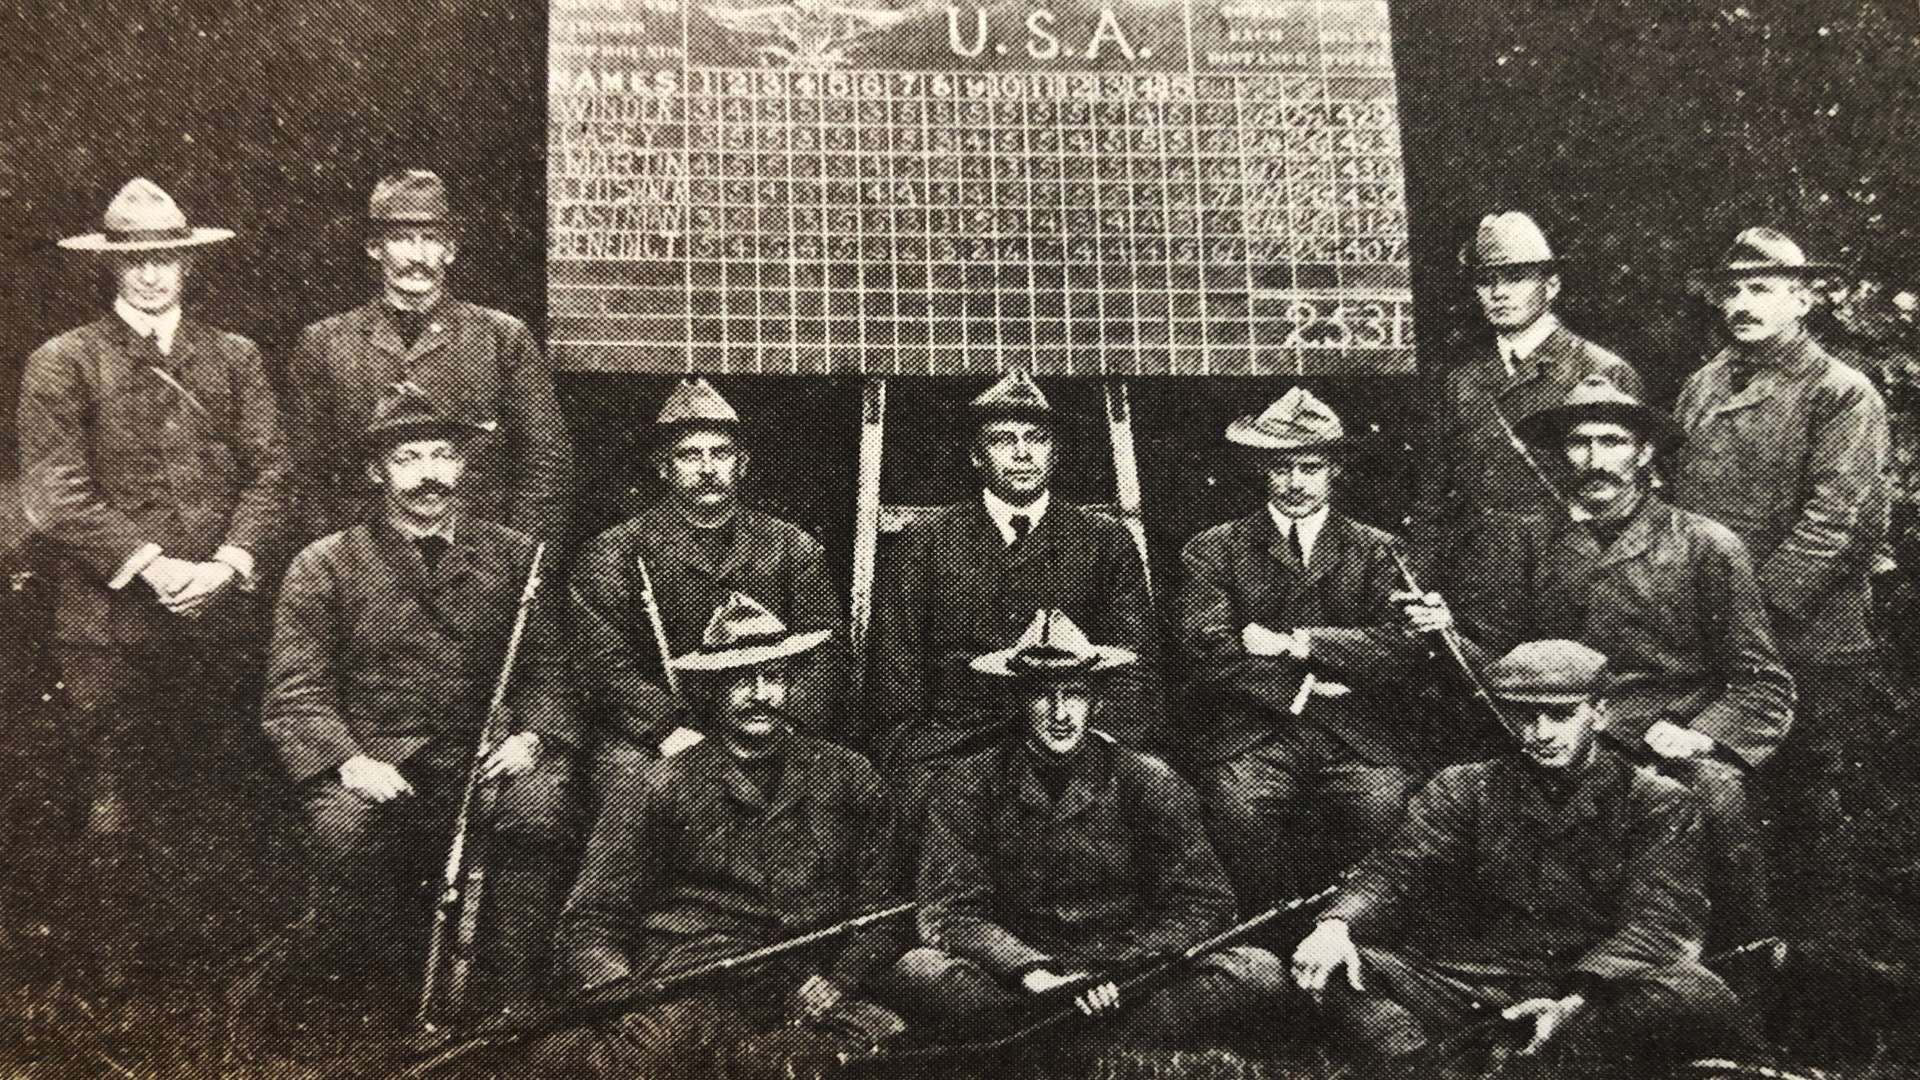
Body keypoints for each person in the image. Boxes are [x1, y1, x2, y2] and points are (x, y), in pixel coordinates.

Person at [1404, 375, 1792, 948]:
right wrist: (1449, 634)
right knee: (1464, 801)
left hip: (1663, 734)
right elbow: (1501, 664)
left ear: (1644, 452)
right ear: (1563, 453)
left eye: (1612, 442)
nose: (1595, 459)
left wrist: (1702, 737)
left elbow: (1760, 681)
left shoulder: (1705, 545)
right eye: (1580, 443)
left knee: (1715, 793)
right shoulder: (1525, 543)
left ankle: (1742, 962)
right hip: (1557, 726)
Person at [15, 177, 288, 982]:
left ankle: (212, 958)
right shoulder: (62, 362)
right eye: (134, 259)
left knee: (218, 779)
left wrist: (231, 563)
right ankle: (118, 968)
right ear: (110, 267)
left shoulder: (234, 358)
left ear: (187, 262)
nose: (151, 274)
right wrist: (157, 566)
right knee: (114, 789)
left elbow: (272, 470)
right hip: (108, 627)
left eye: (166, 256)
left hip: (219, 614)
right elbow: (55, 493)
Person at [1291, 640, 1769, 1080]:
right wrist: (1336, 924)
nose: (1539, 732)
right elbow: (1399, 869)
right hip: (1472, 984)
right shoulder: (1464, 787)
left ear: (1599, 714)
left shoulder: (1656, 802)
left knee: (1689, 990)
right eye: (1524, 715)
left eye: (1559, 715)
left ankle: (1514, 1060)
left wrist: (1574, 1001)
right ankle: (1428, 1065)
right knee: (1334, 965)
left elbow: (1661, 921)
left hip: (1589, 990)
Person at [262, 386, 579, 1033]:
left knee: (538, 809)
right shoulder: (324, 565)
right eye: (409, 457)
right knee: (348, 827)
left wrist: (534, 739)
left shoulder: (518, 556)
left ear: (464, 466)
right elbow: (296, 691)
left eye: (443, 455)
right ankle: (361, 1002)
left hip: (486, 752)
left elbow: (551, 670)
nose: (430, 474)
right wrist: (348, 761)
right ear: (376, 470)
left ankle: (512, 996)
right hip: (378, 755)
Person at [545, 592, 904, 1080]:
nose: (760, 694)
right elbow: (590, 922)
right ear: (711, 691)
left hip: (806, 989)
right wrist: (623, 999)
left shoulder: (847, 774)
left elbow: (883, 912)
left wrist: (839, 980)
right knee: (640, 1058)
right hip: (691, 985)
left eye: (774, 677)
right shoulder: (657, 784)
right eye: (740, 679)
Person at [890, 609, 1286, 1048]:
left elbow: (1206, 903)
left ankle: (1042, 1046)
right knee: (920, 969)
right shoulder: (970, 781)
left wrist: (1119, 969)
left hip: (1128, 977)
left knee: (1257, 971)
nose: (1061, 713)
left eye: (1075, 694)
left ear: (1097, 702)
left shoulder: (1147, 778)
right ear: (1020, 702)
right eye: (1044, 695)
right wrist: (1032, 972)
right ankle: (1075, 1038)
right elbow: (951, 911)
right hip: (1020, 981)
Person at [1669, 227, 1900, 944]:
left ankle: (1826, 991)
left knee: (1805, 811)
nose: (1742, 304)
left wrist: (1748, 615)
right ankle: (1740, 971)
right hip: (1715, 635)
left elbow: (1835, 524)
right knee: (1718, 805)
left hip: (1807, 643)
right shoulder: (1703, 384)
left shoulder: (1841, 393)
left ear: (1803, 298)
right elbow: (1677, 508)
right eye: (1733, 290)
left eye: (1761, 289)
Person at [1175, 388, 1439, 912]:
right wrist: (1308, 683)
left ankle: (1357, 939)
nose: (1296, 482)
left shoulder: (1377, 548)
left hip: (1357, 734)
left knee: (1382, 804)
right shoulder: (1215, 548)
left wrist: (1296, 643)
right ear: (1260, 469)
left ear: (1335, 470)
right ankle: (1264, 945)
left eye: (1311, 467)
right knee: (1238, 805)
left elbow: (1401, 648)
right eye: (1281, 468)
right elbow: (1208, 650)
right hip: (1255, 730)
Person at [871, 370, 1160, 830]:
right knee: (921, 813)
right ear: (976, 455)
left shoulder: (1104, 540)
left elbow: (1133, 664)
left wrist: (1113, 745)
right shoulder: (924, 541)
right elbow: (895, 671)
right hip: (958, 739)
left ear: (1056, 451)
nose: (1023, 453)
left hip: (1073, 734)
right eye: (1004, 440)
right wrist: (906, 756)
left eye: (1036, 439)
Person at [570, 378, 845, 794]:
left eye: (721, 453)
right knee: (634, 785)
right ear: (663, 468)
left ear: (743, 463)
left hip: (769, 717)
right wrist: (666, 729)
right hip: (660, 731)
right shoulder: (614, 552)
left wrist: (786, 722)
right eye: (688, 456)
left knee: (831, 783)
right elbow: (606, 668)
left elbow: (825, 650)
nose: (707, 469)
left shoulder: (792, 546)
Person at [284, 169, 573, 547]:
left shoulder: (502, 336)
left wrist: (517, 561)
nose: (418, 257)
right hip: (364, 564)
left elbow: (546, 460)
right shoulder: (324, 343)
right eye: (402, 239)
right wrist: (337, 565)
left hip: (477, 558)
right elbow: (305, 472)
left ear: (450, 251)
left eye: (432, 239)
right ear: (375, 248)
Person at [1408, 212, 1641, 603]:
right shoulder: (1462, 381)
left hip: (1565, 579)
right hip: (1476, 582)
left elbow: (1628, 497)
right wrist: (1423, 576)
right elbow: (1435, 493)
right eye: (1486, 282)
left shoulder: (1599, 369)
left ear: (1551, 286)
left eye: (1515, 279)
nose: (1499, 293)